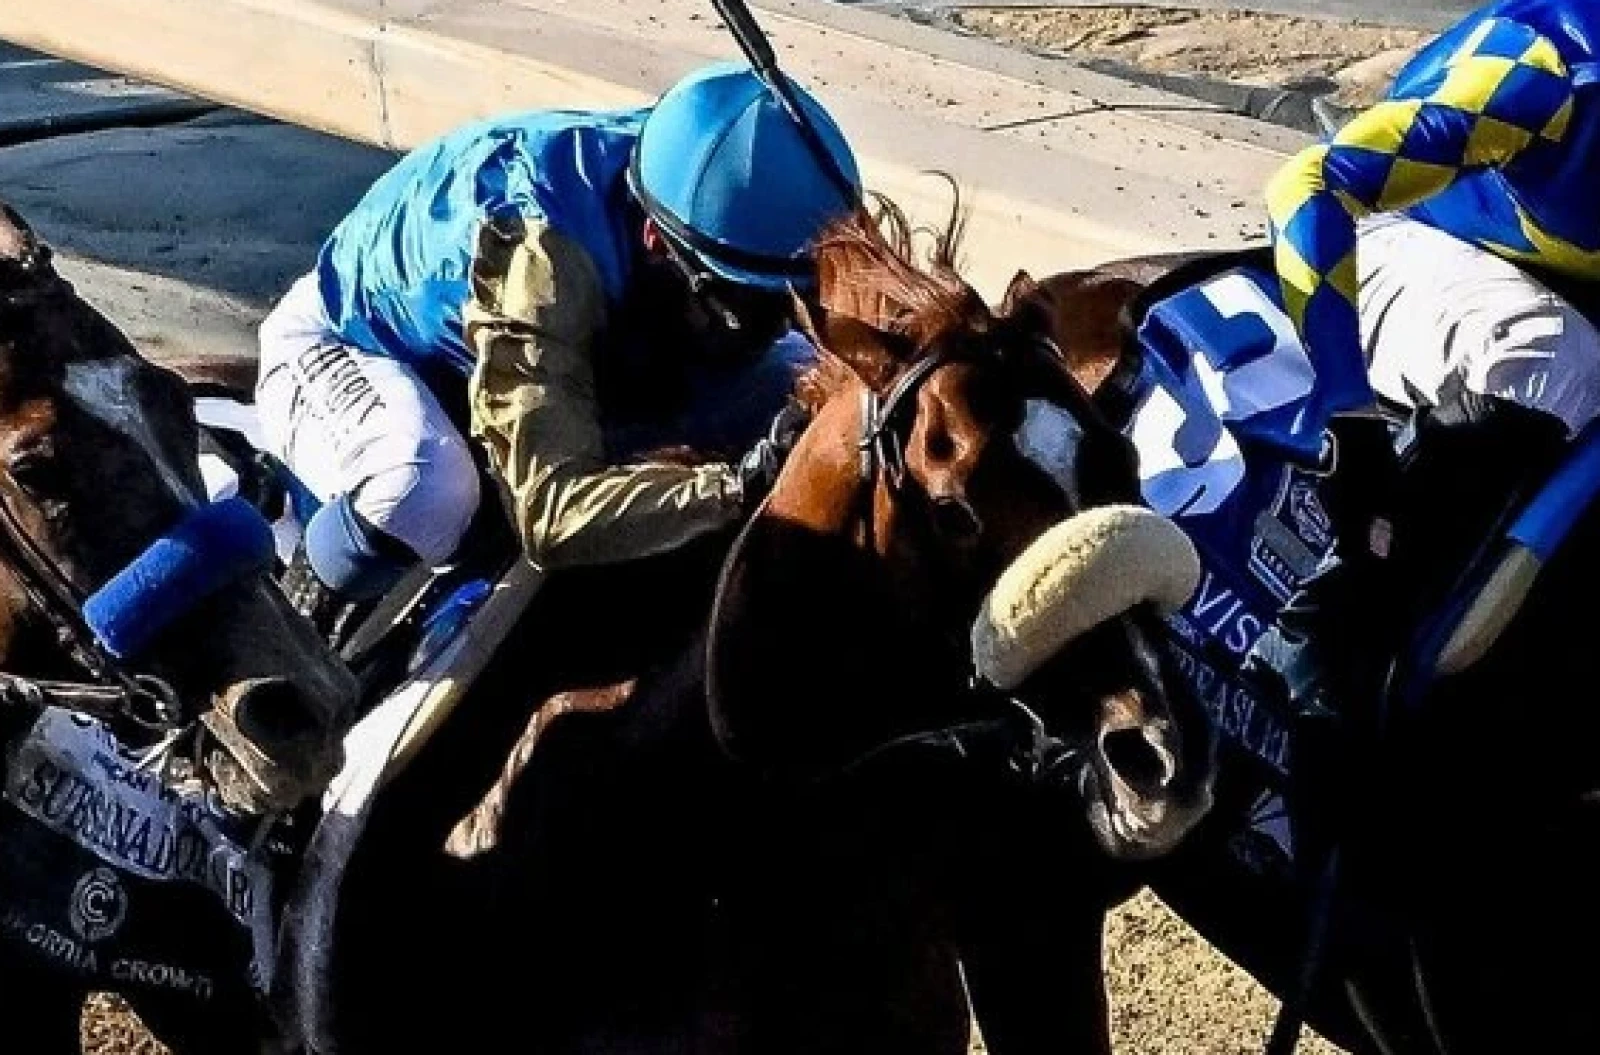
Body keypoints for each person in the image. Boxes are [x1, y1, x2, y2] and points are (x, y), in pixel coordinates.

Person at [255, 61, 860, 636]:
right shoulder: (541, 266)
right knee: (427, 489)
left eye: (793, 302)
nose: (777, 326)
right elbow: (550, 516)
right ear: (657, 239)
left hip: (571, 341)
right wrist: (741, 483)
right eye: (744, 306)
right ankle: (295, 636)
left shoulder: (727, 205)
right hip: (350, 349)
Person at [1250, 0, 1600, 724]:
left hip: (1562, 280)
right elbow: (1308, 187)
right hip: (1390, 238)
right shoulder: (1546, 75)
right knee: (1552, 353)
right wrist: (1350, 413)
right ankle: (1319, 655)